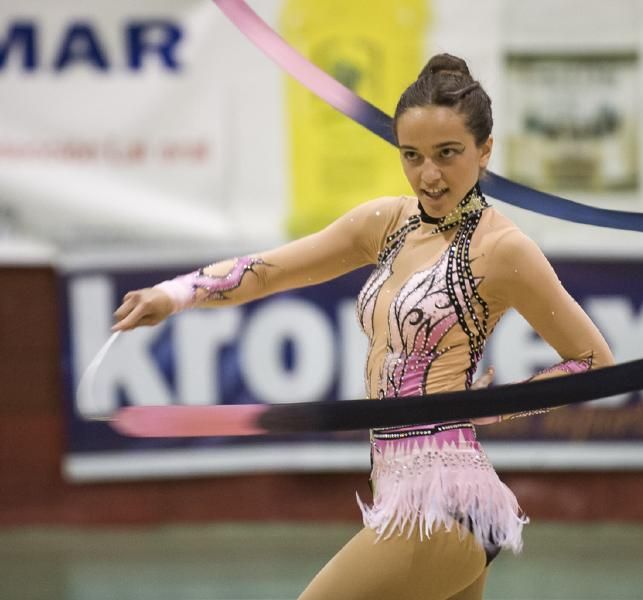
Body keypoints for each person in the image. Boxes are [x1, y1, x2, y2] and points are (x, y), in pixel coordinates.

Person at [113, 53, 614, 600]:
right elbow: (268, 272)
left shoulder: (501, 249)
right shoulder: (386, 224)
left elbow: (594, 362)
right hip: (401, 489)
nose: (429, 174)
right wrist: (175, 292)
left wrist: (495, 405)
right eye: (412, 155)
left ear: (485, 150)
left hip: (444, 498)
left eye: (448, 154)